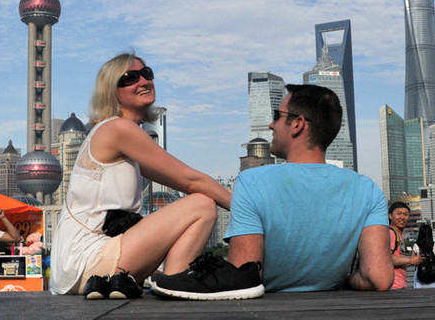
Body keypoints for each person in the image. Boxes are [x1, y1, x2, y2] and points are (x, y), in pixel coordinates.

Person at [151, 84, 394, 299]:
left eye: (277, 116)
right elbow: (379, 278)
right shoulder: (367, 189)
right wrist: (347, 280)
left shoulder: (251, 181)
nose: (271, 124)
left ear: (298, 124)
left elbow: (243, 276)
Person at [50, 53, 233, 299]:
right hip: (88, 259)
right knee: (202, 204)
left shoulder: (115, 135)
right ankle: (176, 282)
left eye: (147, 74)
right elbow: (192, 181)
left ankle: (171, 279)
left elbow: (184, 182)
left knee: (197, 202)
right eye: (130, 78)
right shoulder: (118, 129)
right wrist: (250, 212)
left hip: (79, 267)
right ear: (111, 91)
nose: (144, 81)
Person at [388, 202, 422, 289]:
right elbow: (386, 259)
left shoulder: (399, 235)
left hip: (399, 285)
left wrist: (414, 259)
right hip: (393, 286)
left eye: (406, 214)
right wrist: (410, 260)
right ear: (390, 216)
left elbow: (398, 259)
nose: (402, 217)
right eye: (398, 214)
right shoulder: (391, 233)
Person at [412, 223, 435, 289]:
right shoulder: (434, 245)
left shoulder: (416, 245)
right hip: (433, 274)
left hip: (420, 274)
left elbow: (412, 259)